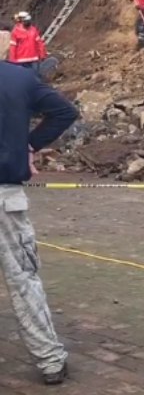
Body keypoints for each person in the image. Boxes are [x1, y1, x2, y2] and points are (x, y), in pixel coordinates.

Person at [0, 60, 78, 385]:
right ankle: (50, 361)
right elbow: (64, 112)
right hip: (5, 194)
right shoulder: (19, 77)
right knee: (22, 279)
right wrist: (28, 145)